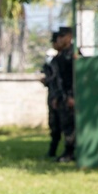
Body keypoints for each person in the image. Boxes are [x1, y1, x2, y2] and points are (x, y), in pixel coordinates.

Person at [53, 26, 76, 162]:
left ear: (69, 37)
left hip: (71, 95)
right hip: (62, 96)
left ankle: (70, 153)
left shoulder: (73, 54)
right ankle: (68, 151)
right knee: (65, 125)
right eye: (58, 37)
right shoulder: (61, 56)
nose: (59, 40)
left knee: (71, 125)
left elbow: (75, 77)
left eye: (62, 37)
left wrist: (72, 96)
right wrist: (57, 96)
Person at [40, 30, 62, 158]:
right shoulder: (53, 62)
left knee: (66, 126)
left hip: (61, 97)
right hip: (53, 96)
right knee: (54, 126)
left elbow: (58, 78)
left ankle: (69, 152)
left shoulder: (64, 58)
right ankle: (52, 151)